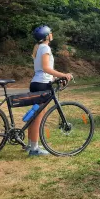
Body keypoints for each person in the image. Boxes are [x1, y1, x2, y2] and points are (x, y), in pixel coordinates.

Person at [26, 25, 72, 156]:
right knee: (38, 117)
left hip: (36, 82)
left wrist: (55, 78)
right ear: (47, 36)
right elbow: (46, 68)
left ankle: (30, 144)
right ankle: (34, 149)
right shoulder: (45, 48)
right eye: (50, 32)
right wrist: (63, 75)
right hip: (42, 84)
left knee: (34, 115)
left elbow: (41, 70)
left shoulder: (38, 48)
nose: (52, 34)